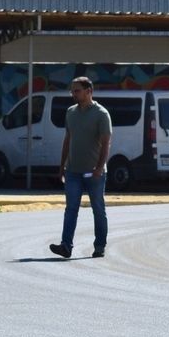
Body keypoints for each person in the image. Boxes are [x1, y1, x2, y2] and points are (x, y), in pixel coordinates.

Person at [49, 76, 111, 259]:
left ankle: (100, 246)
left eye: (77, 90)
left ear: (88, 91)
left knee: (98, 209)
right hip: (73, 171)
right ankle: (66, 246)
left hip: (94, 172)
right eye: (72, 90)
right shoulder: (71, 112)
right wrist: (62, 166)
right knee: (71, 209)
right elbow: (68, 140)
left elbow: (106, 143)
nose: (73, 93)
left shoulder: (101, 114)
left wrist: (99, 168)